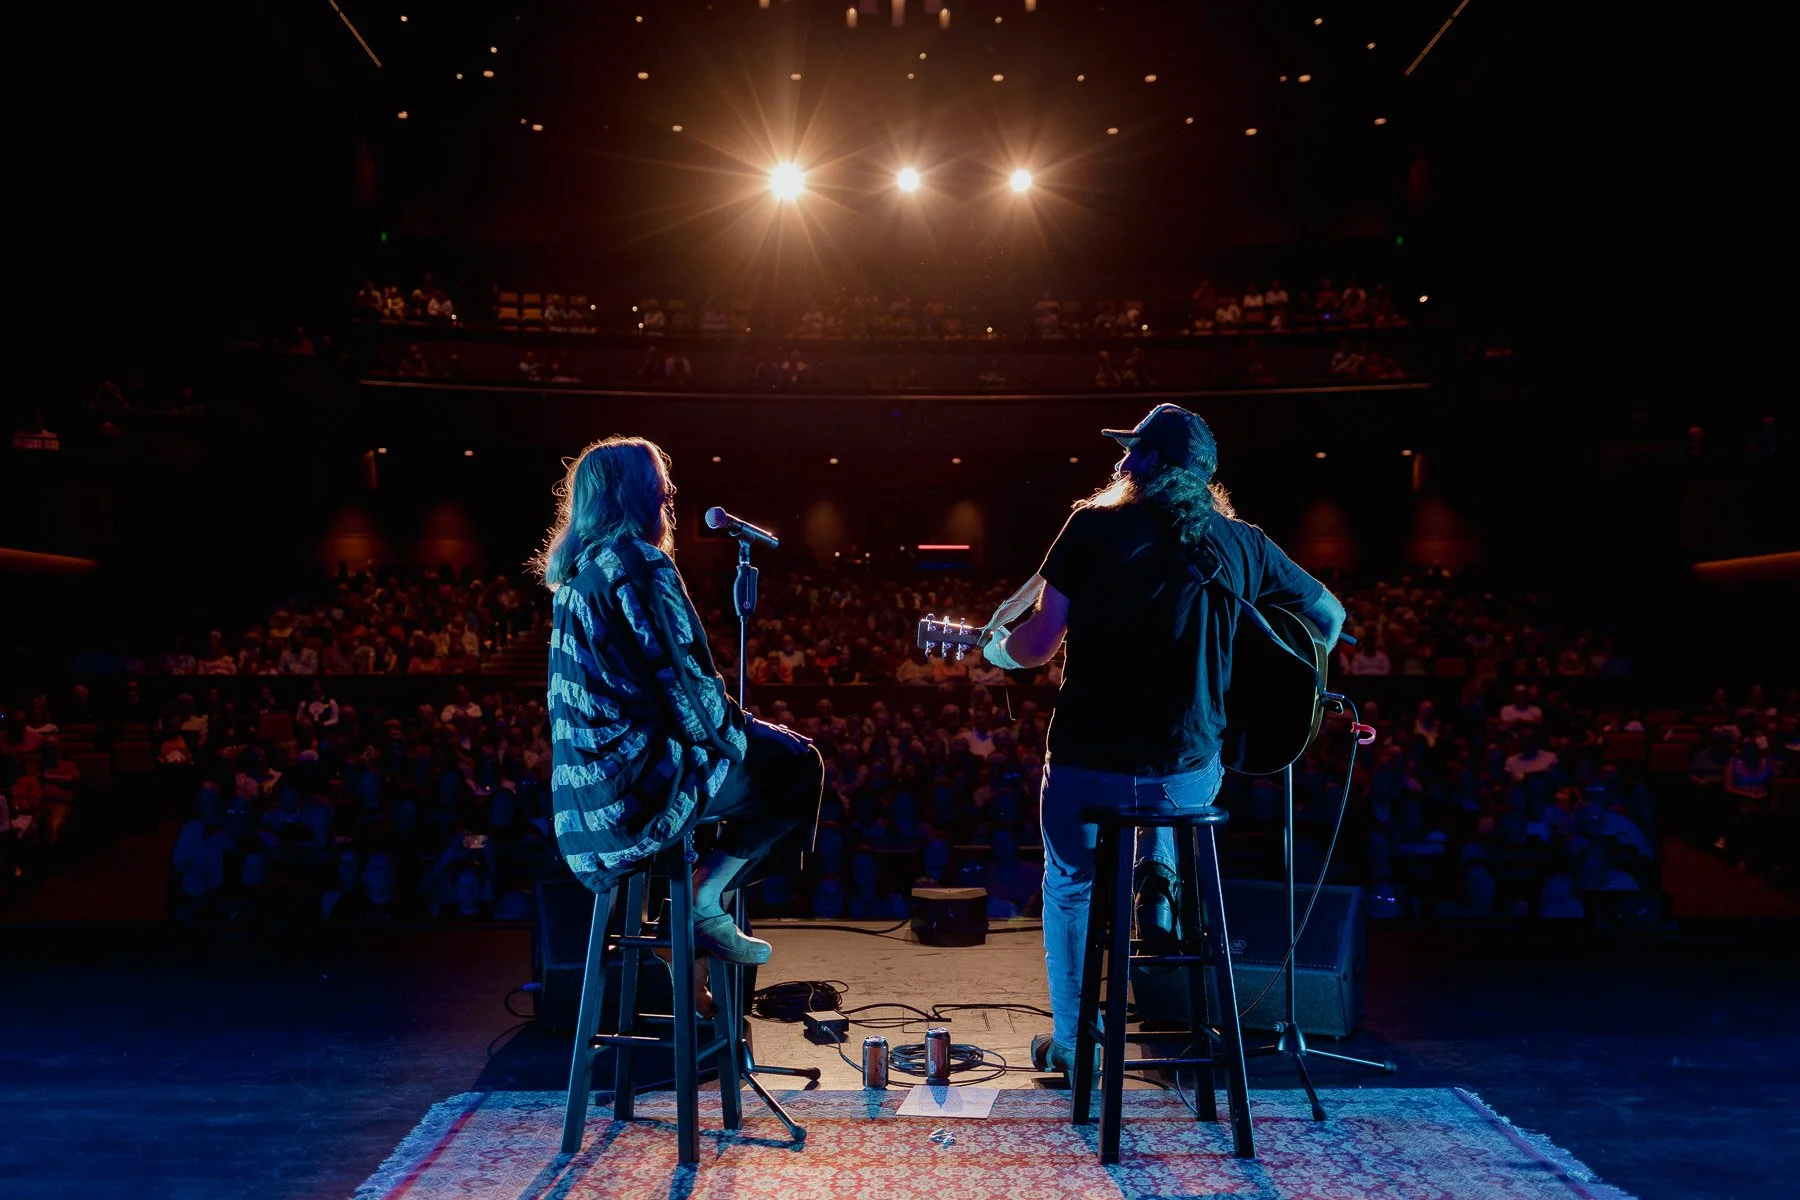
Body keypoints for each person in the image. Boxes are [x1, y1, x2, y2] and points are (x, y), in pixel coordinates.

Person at [979, 403, 1345, 1080]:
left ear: (1148, 463)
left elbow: (1037, 647)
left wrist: (1000, 651)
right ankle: (1164, 871)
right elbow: (1328, 614)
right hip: (1186, 770)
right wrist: (1287, 687)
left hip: (1090, 762)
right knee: (1181, 787)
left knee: (1070, 885)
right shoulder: (1246, 544)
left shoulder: (1090, 527)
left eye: (1129, 451)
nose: (1118, 462)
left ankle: (1074, 1044)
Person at [538, 436, 823, 966]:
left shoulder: (580, 573)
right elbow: (688, 688)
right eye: (659, 486)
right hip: (637, 789)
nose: (669, 496)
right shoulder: (638, 565)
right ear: (635, 495)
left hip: (584, 801)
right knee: (797, 766)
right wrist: (744, 734)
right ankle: (699, 902)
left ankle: (686, 937)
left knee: (759, 759)